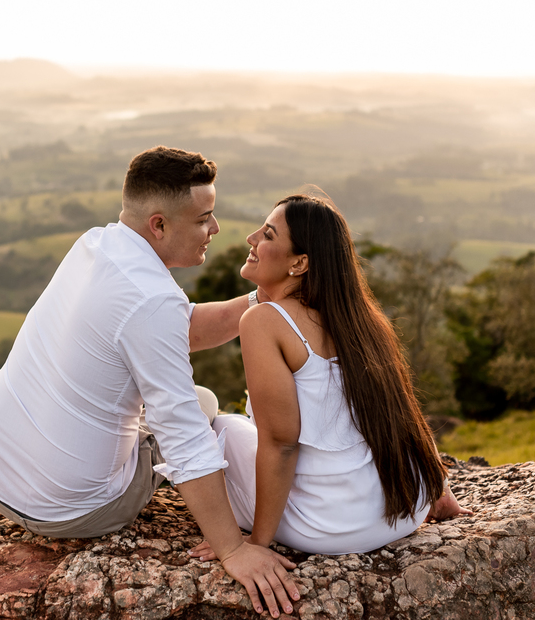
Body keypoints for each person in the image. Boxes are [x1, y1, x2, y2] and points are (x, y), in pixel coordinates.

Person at [0, 146, 299, 618]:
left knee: (187, 399)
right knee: (201, 408)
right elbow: (182, 433)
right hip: (69, 509)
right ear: (159, 224)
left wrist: (260, 298)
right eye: (204, 218)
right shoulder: (151, 299)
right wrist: (233, 550)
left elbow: (176, 327)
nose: (216, 229)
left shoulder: (98, 245)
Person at [192, 193, 470, 559]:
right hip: (404, 510)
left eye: (269, 235)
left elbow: (281, 444)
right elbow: (403, 416)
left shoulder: (264, 321)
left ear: (300, 263)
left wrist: (255, 545)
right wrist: (438, 493)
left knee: (216, 427)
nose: (252, 238)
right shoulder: (363, 319)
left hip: (329, 527)